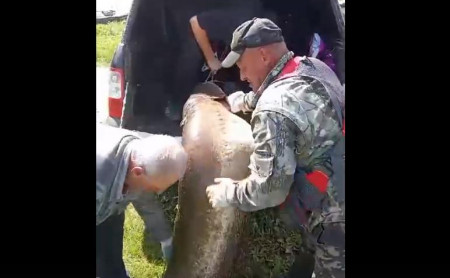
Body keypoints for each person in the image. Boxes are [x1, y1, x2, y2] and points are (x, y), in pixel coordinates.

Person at [205, 18, 345, 278]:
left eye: (242, 66)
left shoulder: (272, 110)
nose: (242, 76)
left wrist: (229, 193)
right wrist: (244, 101)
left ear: (263, 55)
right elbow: (288, 89)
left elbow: (271, 190)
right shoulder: (314, 66)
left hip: (336, 217)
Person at [96, 123, 188, 278]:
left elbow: (146, 203)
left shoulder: (140, 151)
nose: (158, 192)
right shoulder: (100, 182)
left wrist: (165, 239)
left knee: (109, 241)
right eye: (154, 188)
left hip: (106, 203)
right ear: (137, 172)